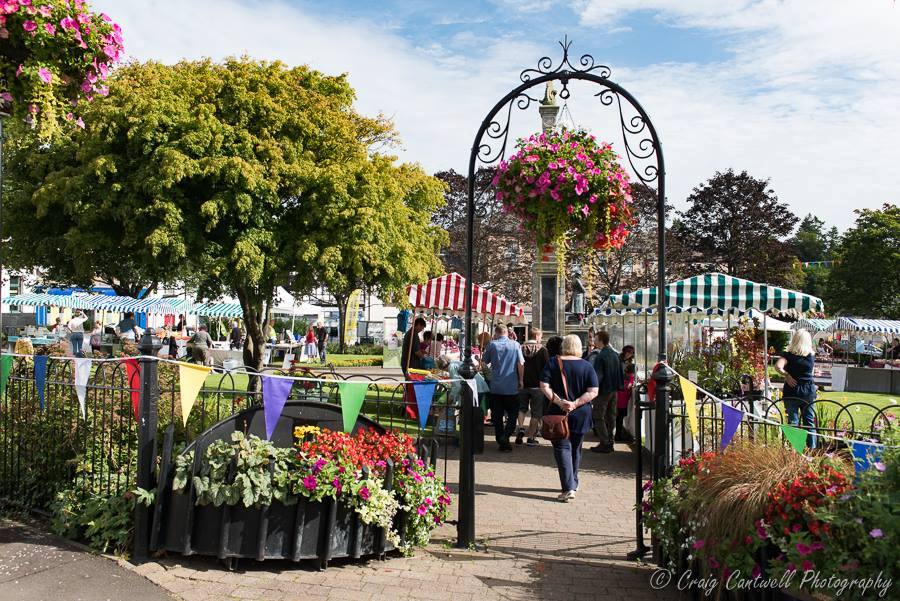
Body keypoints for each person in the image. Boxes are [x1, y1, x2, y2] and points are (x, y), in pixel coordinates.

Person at [539, 334, 599, 502]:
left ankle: (568, 488)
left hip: (558, 413)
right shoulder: (587, 366)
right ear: (579, 347)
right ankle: (573, 481)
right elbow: (593, 391)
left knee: (562, 448)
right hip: (581, 413)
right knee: (576, 448)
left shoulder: (553, 362)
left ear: (563, 346)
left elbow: (543, 386)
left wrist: (560, 402)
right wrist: (575, 403)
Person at [482, 323, 525, 452]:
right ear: (507, 333)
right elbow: (520, 363)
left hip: (496, 386)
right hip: (511, 385)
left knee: (497, 416)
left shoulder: (492, 345)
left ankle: (501, 440)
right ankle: (505, 437)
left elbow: (485, 362)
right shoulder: (515, 345)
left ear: (496, 333)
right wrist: (521, 380)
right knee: (513, 414)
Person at [775, 330, 817, 449]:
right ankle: (812, 450)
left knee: (793, 422)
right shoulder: (811, 356)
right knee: (809, 422)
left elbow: (778, 366)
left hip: (792, 390)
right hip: (808, 390)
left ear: (794, 340)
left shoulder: (788, 355)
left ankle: (795, 449)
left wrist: (787, 375)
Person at [587, 330, 625, 453]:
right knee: (611, 416)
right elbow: (621, 372)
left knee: (597, 415)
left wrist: (593, 389)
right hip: (614, 390)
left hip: (604, 390)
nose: (594, 341)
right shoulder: (615, 354)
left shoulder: (601, 356)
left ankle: (605, 442)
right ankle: (610, 441)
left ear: (601, 341)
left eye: (596, 339)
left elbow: (598, 376)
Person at [516, 328, 549, 446]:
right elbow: (547, 368)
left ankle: (520, 427)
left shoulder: (520, 348)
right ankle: (530, 438)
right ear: (536, 336)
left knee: (521, 408)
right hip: (538, 386)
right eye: (540, 336)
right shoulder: (543, 350)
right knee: (536, 413)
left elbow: (517, 364)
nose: (541, 338)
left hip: (523, 384)